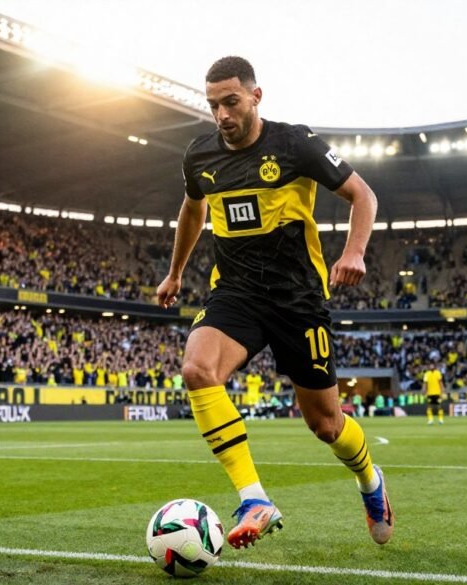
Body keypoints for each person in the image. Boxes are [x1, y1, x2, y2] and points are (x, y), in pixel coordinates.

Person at [156, 56, 392, 549]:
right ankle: (253, 498)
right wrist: (175, 272)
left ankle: (370, 481)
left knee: (325, 425)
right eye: (213, 105)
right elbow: (192, 209)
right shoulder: (200, 156)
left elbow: (362, 195)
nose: (221, 114)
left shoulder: (294, 144)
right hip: (236, 291)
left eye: (231, 102)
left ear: (256, 96)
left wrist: (353, 252)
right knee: (197, 369)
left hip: (298, 300)